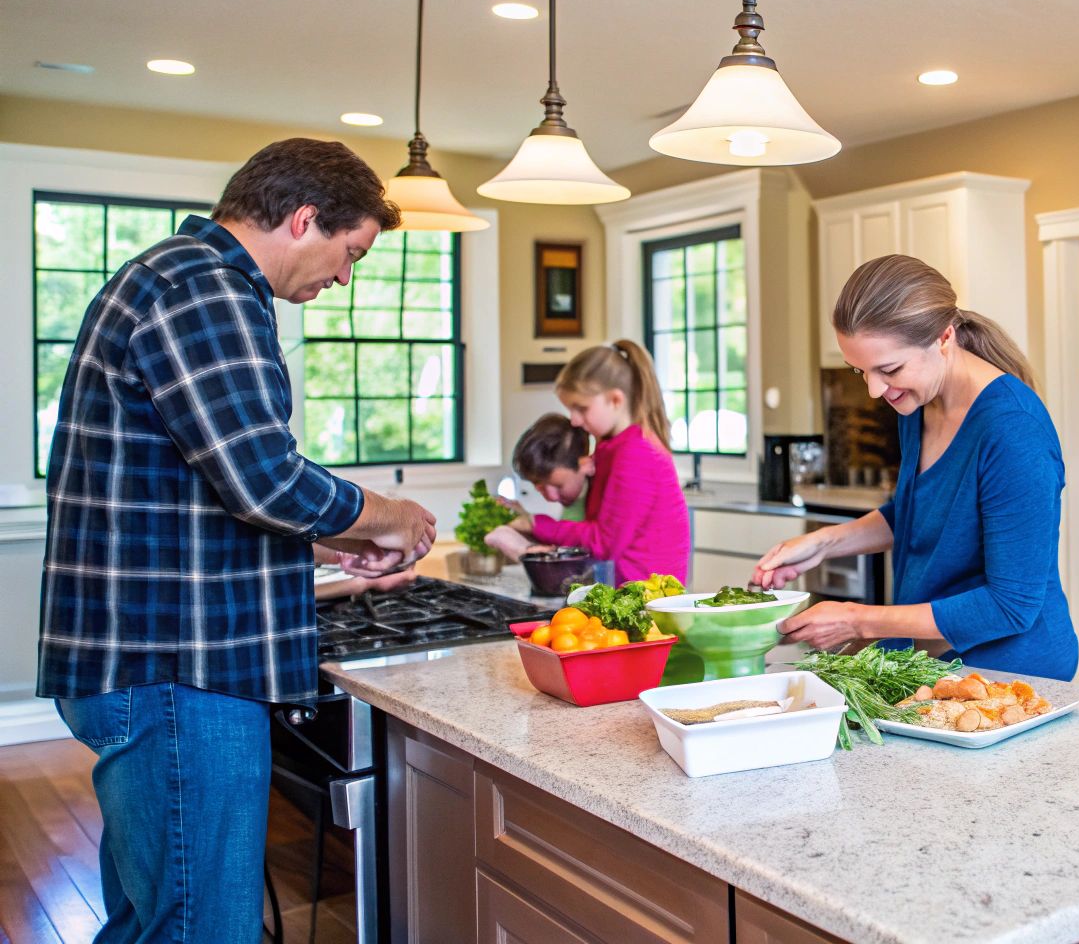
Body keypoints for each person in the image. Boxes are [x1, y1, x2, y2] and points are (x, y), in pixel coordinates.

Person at [38, 138, 439, 944]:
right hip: (179, 665)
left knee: (153, 919)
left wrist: (328, 545)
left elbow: (192, 492)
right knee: (203, 928)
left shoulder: (176, 278)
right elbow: (262, 474)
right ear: (303, 220)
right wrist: (387, 514)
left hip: (152, 656)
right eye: (352, 252)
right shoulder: (205, 287)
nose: (345, 278)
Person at [753, 255, 1078, 680]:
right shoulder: (918, 404)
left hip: (1010, 675)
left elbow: (1010, 605)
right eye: (860, 370)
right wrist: (823, 543)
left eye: (889, 369)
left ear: (944, 337)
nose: (874, 390)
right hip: (931, 664)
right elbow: (918, 514)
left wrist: (857, 620)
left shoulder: (1013, 430)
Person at [503, 341, 691, 583]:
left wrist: (537, 524)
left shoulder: (637, 453)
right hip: (628, 586)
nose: (574, 420)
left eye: (581, 408)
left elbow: (604, 543)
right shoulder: (614, 446)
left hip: (646, 596)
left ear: (615, 400)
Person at [512, 413, 594, 521]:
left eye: (559, 486)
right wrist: (526, 517)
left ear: (586, 466)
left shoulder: (602, 498)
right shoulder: (574, 500)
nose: (552, 497)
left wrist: (532, 523)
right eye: (540, 488)